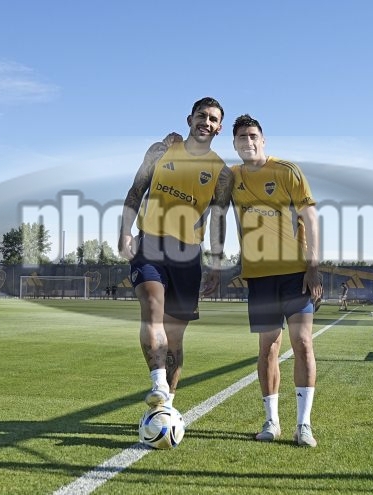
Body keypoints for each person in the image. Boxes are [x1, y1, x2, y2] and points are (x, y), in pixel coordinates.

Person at [118, 97, 233, 410]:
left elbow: (218, 220)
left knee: (176, 338)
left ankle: (166, 406)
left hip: (188, 255)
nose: (205, 122)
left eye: (212, 119)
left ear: (219, 128)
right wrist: (125, 232)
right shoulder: (161, 149)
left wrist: (216, 265)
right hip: (150, 243)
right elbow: (135, 191)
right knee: (152, 305)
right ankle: (158, 382)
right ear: (189, 119)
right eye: (201, 116)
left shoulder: (222, 173)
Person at [230, 114, 322, 447]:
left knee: (303, 343)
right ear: (234, 144)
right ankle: (272, 421)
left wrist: (313, 265)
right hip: (259, 277)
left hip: (296, 274)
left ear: (263, 140)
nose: (248, 142)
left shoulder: (286, 171)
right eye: (242, 137)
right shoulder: (231, 177)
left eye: (253, 136)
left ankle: (304, 425)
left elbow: (310, 216)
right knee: (268, 348)